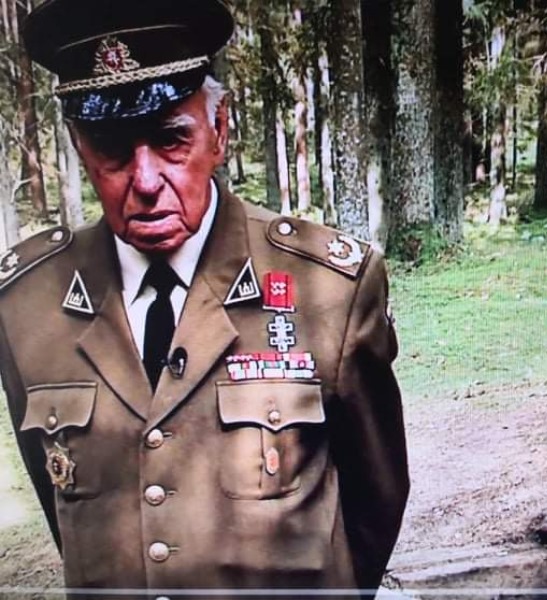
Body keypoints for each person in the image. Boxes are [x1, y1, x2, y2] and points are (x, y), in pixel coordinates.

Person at [0, 0, 409, 598]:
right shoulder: (28, 305)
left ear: (219, 129)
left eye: (172, 139)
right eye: (112, 147)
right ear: (79, 145)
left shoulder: (328, 288)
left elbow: (377, 500)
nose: (145, 182)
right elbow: (60, 498)